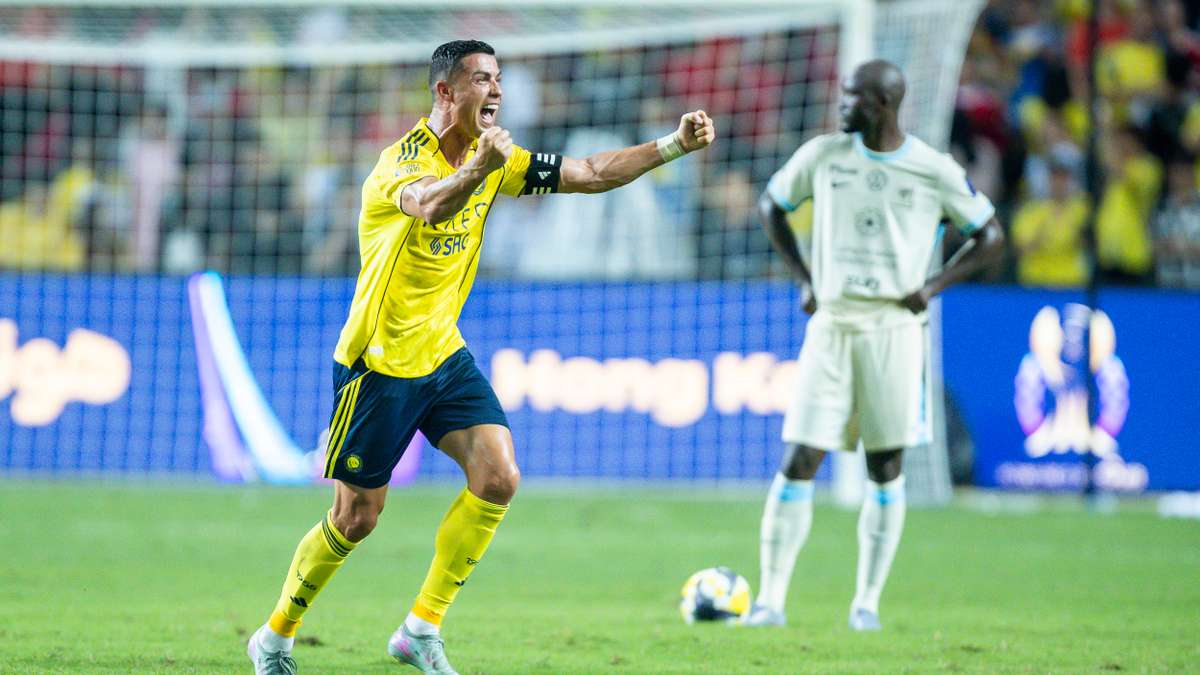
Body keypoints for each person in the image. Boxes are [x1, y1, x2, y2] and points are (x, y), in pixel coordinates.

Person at [246, 39, 715, 675]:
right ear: (445, 92)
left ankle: (421, 628)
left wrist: (673, 146)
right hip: (379, 365)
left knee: (498, 476)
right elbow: (431, 203)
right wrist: (478, 169)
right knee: (356, 518)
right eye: (481, 80)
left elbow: (590, 172)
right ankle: (274, 636)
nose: (495, 90)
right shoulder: (397, 165)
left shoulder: (495, 158)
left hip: (444, 353)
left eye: (498, 79)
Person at [742, 60, 1004, 632]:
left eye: (853, 98)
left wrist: (932, 287)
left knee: (885, 466)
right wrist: (804, 278)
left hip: (894, 329)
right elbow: (771, 206)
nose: (842, 107)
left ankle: (866, 605)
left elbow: (990, 235)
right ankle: (770, 601)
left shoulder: (932, 168)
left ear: (883, 104)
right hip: (833, 323)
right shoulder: (822, 155)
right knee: (800, 458)